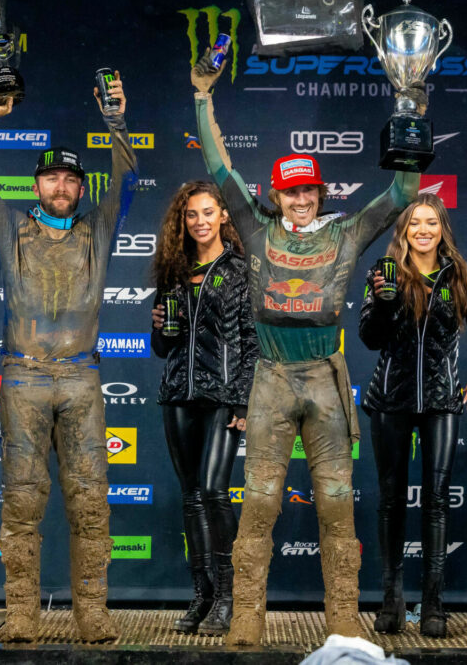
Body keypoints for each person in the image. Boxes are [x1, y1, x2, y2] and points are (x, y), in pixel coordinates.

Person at [190, 51, 420, 645]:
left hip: (325, 378)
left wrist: (411, 101)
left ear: (320, 193)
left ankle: (343, 623)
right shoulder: (255, 226)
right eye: (291, 193)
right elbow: (218, 169)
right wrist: (202, 96)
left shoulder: (346, 232)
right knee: (261, 503)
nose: (300, 201)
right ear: (276, 194)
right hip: (270, 377)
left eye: (308, 192)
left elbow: (402, 190)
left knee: (337, 505)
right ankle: (246, 622)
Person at [0, 74, 137, 642]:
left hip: (82, 379)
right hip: (24, 379)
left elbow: (129, 177)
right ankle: (21, 618)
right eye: (51, 177)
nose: (61, 186)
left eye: (70, 179)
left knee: (91, 504)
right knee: (21, 501)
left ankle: (93, 617)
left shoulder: (98, 230)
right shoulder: (11, 225)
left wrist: (115, 120)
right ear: (36, 184)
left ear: (82, 189)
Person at [359, 193, 467, 637]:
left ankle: (434, 604)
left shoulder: (460, 275)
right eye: (415, 223)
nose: (423, 230)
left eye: (431, 222)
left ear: (442, 229)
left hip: (441, 402)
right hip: (390, 401)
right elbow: (368, 337)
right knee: (390, 500)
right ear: (403, 231)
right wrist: (383, 303)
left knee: (437, 500)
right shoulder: (384, 274)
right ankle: (391, 600)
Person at [149, 180, 258, 635]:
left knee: (214, 490)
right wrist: (159, 326)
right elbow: (161, 346)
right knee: (191, 496)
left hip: (222, 396)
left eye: (208, 212)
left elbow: (252, 341)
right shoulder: (173, 270)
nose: (199, 222)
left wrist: (243, 396)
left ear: (224, 216)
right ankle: (203, 596)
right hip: (177, 393)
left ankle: (229, 598)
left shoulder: (239, 269)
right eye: (191, 214)